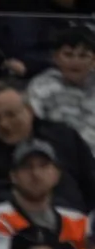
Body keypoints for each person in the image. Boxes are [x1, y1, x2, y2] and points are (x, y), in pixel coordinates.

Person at [0, 139, 90, 249]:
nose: (36, 173)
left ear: (57, 175)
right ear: (13, 176)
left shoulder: (79, 222)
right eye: (26, 167)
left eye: (43, 166)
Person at [0, 81, 95, 213]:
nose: (4, 124)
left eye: (11, 115)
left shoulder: (63, 136)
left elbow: (91, 178)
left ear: (29, 111)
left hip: (79, 220)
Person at [30, 24, 95, 157]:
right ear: (56, 57)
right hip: (56, 161)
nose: (75, 61)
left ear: (94, 60)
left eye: (83, 56)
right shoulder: (40, 86)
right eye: (68, 55)